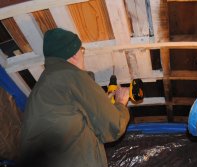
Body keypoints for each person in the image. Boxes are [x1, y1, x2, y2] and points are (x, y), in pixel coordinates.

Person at [19, 28, 130, 167]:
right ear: (74, 54)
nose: (83, 54)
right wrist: (120, 103)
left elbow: (69, 123)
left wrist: (102, 105)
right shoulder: (71, 75)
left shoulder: (41, 89)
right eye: (82, 50)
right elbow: (114, 126)